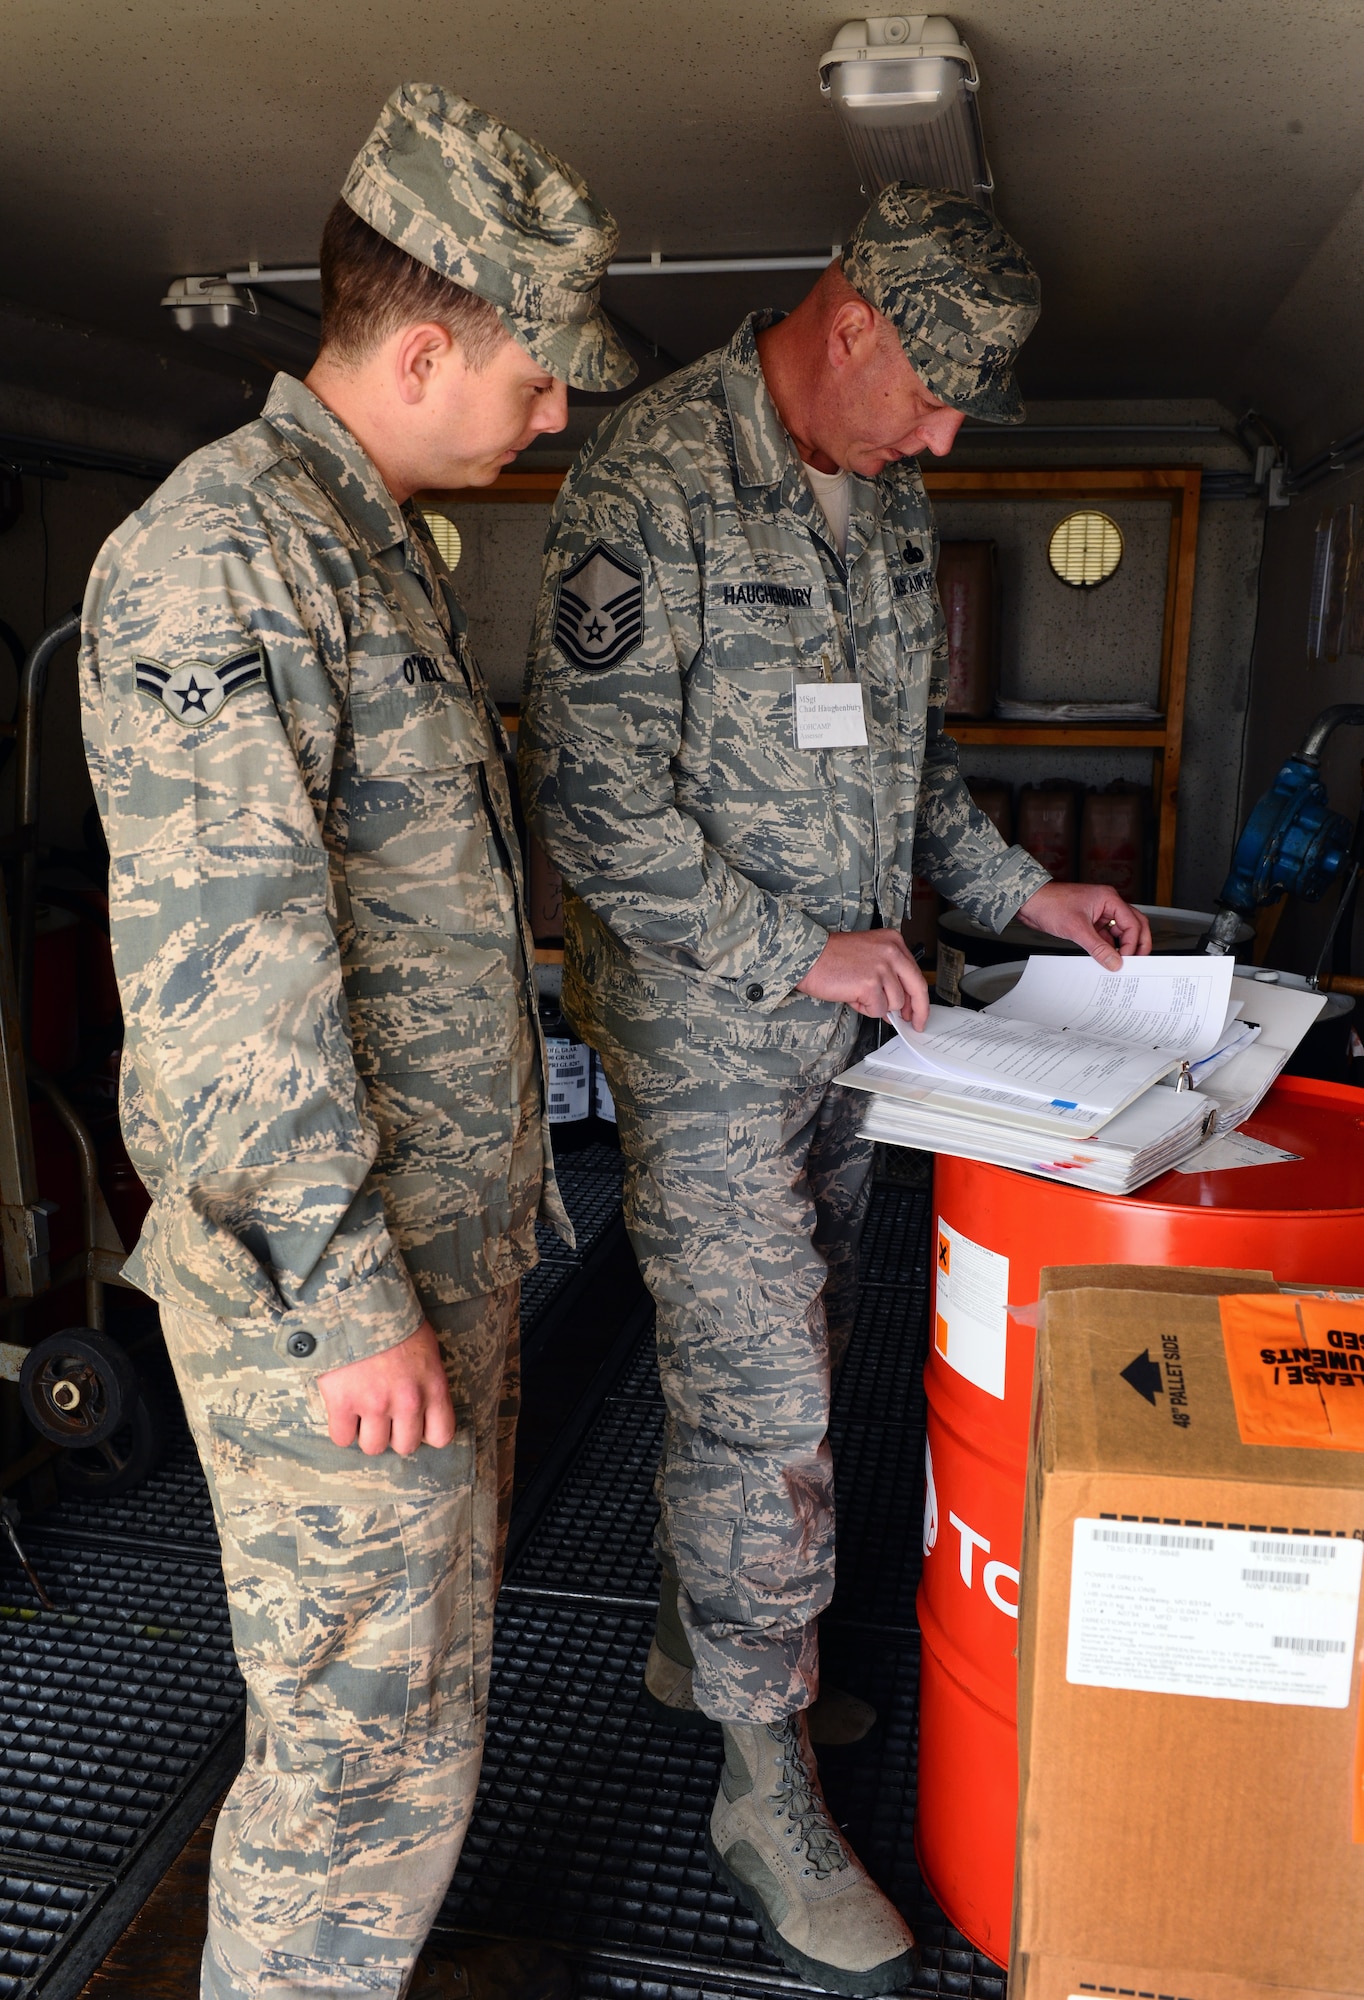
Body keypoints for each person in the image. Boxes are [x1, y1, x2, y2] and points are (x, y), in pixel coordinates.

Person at [519, 184, 1151, 1996]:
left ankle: (695, 1638)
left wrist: (1015, 887)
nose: (947, 434)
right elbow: (595, 802)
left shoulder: (885, 498)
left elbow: (908, 772)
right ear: (851, 314)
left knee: (798, 1357)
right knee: (774, 1401)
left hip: (862, 1034)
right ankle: (760, 1785)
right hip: (717, 1036)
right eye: (936, 389)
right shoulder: (653, 478)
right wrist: (794, 950)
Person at [80, 83, 635, 2000]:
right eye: (538, 376)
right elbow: (230, 988)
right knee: (351, 1748)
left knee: (411, 1702)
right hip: (334, 1283)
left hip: (419, 1255)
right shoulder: (219, 558)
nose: (556, 412)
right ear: (422, 348)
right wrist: (346, 1291)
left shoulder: (369, 533)